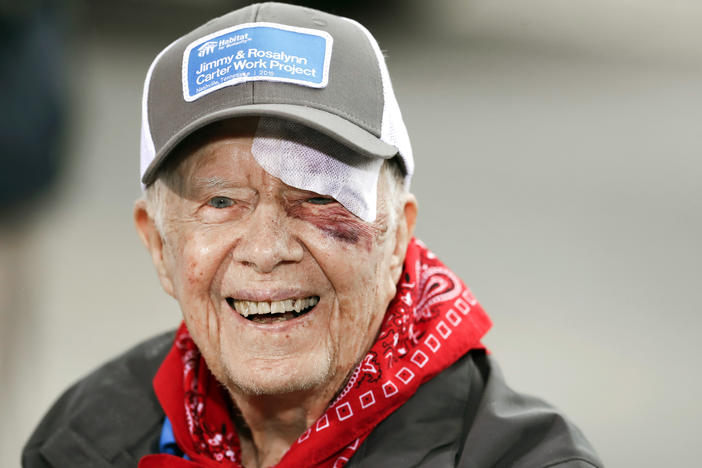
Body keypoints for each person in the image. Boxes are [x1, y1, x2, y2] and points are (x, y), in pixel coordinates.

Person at [23, 3, 603, 467]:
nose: (267, 249)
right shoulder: (83, 440)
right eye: (221, 201)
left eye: (318, 197)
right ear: (158, 246)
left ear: (398, 233)